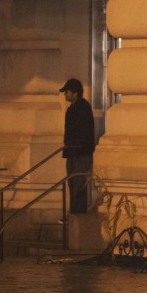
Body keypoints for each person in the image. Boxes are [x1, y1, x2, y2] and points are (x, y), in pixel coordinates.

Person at [59, 78, 96, 214]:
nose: (65, 95)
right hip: (73, 152)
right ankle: (74, 211)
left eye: (67, 92)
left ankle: (78, 212)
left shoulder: (82, 108)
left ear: (75, 92)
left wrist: (77, 148)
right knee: (72, 183)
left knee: (78, 183)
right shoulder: (73, 108)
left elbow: (83, 132)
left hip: (80, 153)